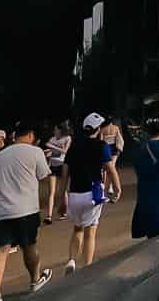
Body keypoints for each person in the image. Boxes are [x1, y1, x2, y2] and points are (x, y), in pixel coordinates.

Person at [0, 123, 52, 300]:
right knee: (29, 246)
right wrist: (47, 205)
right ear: (30, 134)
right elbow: (45, 178)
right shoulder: (35, 152)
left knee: (0, 251)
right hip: (26, 209)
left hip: (1, 211)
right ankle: (35, 280)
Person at [62, 113, 113, 275]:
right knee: (90, 232)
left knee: (77, 229)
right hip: (93, 195)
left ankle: (71, 260)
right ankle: (87, 269)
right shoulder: (101, 145)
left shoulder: (73, 147)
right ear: (97, 129)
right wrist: (117, 189)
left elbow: (65, 175)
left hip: (74, 195)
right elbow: (111, 169)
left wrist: (61, 198)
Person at [43, 123, 71, 223]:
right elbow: (50, 151)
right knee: (51, 191)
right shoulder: (52, 139)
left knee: (63, 190)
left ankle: (65, 211)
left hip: (62, 165)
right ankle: (49, 216)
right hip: (53, 166)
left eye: (56, 130)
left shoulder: (67, 138)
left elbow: (65, 151)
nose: (54, 132)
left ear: (61, 130)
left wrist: (52, 147)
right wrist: (48, 151)